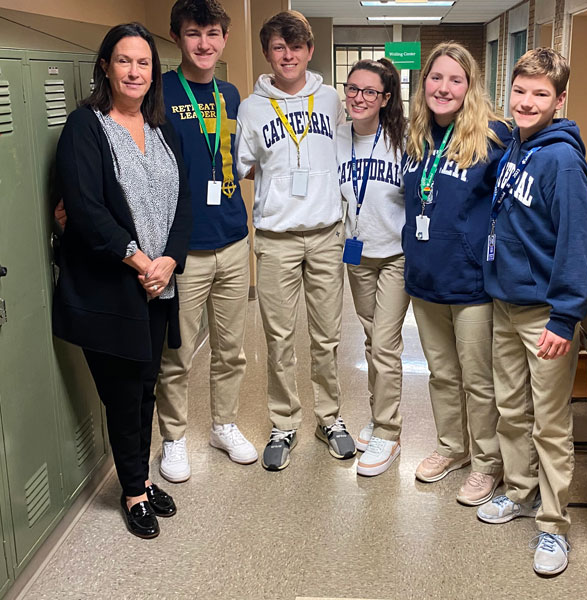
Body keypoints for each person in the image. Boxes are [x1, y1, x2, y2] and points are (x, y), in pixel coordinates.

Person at [53, 23, 191, 539]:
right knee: (123, 393)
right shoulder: (85, 127)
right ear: (106, 67)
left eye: (144, 63)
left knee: (147, 386)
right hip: (112, 291)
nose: (135, 71)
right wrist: (141, 262)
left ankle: (139, 476)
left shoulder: (160, 126)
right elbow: (85, 211)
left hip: (159, 285)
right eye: (124, 61)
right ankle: (133, 490)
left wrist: (171, 260)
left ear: (153, 72)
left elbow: (184, 204)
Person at [475, 48, 587, 578]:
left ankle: (553, 526)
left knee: (550, 423)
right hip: (506, 302)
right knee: (511, 410)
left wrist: (565, 317)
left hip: (544, 312)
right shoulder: (516, 148)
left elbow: (577, 242)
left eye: (541, 94)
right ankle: (521, 493)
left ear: (560, 100)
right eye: (520, 91)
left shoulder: (562, 160)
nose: (527, 102)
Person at [236, 10, 354, 471]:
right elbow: (244, 165)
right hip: (275, 238)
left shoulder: (331, 101)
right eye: (279, 48)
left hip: (326, 235)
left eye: (296, 47)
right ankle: (284, 423)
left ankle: (330, 419)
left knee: (326, 338)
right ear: (268, 54)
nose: (288, 55)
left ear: (309, 51)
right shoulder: (251, 107)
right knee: (278, 337)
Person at [401, 42, 510, 505]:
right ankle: (452, 446)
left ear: (470, 87)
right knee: (441, 373)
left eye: (455, 79)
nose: (443, 88)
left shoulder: (493, 136)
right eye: (436, 78)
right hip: (425, 277)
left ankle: (487, 463)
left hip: (471, 282)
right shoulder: (416, 136)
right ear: (423, 82)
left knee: (476, 378)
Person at [155, 0, 257, 483]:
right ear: (177, 37)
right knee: (177, 353)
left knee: (231, 348)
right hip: (183, 248)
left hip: (233, 239)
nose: (204, 44)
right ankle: (173, 438)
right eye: (194, 33)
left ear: (224, 39)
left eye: (213, 34)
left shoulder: (232, 94)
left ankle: (223, 424)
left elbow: (242, 157)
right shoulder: (158, 91)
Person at [337, 58, 409, 477]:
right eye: (353, 89)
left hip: (397, 255)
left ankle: (389, 431)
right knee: (370, 340)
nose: (359, 98)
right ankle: (378, 414)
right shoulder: (337, 137)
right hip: (357, 255)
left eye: (370, 92)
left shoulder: (403, 139)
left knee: (385, 343)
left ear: (385, 98)